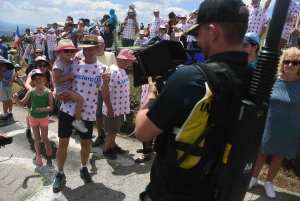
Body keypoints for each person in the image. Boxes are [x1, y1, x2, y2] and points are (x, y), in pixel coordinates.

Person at [134, 0, 251, 200]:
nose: (197, 41)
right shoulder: (255, 78)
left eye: (199, 34)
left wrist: (152, 94)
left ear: (213, 32)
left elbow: (142, 132)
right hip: (222, 189)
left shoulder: (190, 78)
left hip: (174, 191)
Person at [52, 35, 108, 193]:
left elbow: (105, 92)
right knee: (63, 145)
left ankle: (83, 168)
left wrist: (107, 82)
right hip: (68, 109)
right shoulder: (73, 62)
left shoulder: (103, 69)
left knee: (85, 145)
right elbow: (58, 80)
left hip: (87, 113)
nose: (88, 52)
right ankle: (60, 173)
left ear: (98, 49)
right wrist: (56, 93)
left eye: (91, 49)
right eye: (85, 48)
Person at [248, 47, 300, 199]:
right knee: (262, 152)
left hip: (290, 124)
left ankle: (269, 183)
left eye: (295, 62)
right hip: (270, 122)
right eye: (287, 61)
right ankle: (253, 178)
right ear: (282, 63)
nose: (290, 64)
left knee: (279, 155)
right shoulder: (273, 80)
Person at [13, 69, 53, 166]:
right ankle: (38, 155)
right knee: (37, 138)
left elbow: (51, 107)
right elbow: (21, 104)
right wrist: (16, 99)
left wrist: (42, 109)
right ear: (33, 81)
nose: (38, 81)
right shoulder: (31, 91)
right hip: (33, 117)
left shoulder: (48, 92)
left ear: (43, 79)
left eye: (40, 78)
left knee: (44, 138)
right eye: (36, 79)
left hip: (44, 118)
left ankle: (48, 145)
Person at [102, 49, 136, 160]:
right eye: (128, 60)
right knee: (111, 131)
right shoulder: (111, 71)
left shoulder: (121, 69)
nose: (129, 63)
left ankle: (112, 146)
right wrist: (109, 108)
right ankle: (107, 150)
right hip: (112, 108)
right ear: (120, 59)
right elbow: (105, 92)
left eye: (130, 61)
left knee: (115, 129)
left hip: (119, 107)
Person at [52, 39, 88, 133]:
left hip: (66, 87)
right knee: (80, 100)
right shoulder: (58, 65)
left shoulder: (68, 61)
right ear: (60, 52)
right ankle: (78, 121)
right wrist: (69, 76)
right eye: (66, 50)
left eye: (71, 51)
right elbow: (56, 80)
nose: (69, 52)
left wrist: (79, 59)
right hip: (63, 89)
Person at [91, 36, 116, 147]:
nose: (99, 48)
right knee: (98, 114)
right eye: (96, 46)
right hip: (96, 90)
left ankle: (110, 138)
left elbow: (116, 69)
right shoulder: (91, 57)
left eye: (100, 45)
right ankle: (100, 135)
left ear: (104, 45)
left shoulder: (110, 55)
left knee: (110, 114)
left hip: (110, 89)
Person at [25, 56, 53, 139]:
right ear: (36, 66)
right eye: (40, 65)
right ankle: (28, 128)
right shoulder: (32, 73)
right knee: (31, 112)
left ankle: (42, 134)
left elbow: (54, 84)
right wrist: (34, 92)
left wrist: (54, 92)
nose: (42, 67)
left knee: (43, 111)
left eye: (44, 65)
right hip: (33, 95)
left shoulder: (48, 73)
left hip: (44, 94)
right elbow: (26, 84)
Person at [0, 56, 15, 120]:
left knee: (6, 100)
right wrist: (10, 80)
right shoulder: (7, 62)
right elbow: (13, 71)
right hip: (7, 85)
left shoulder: (4, 63)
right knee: (8, 100)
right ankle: (9, 113)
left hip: (4, 85)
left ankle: (6, 114)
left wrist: (9, 80)